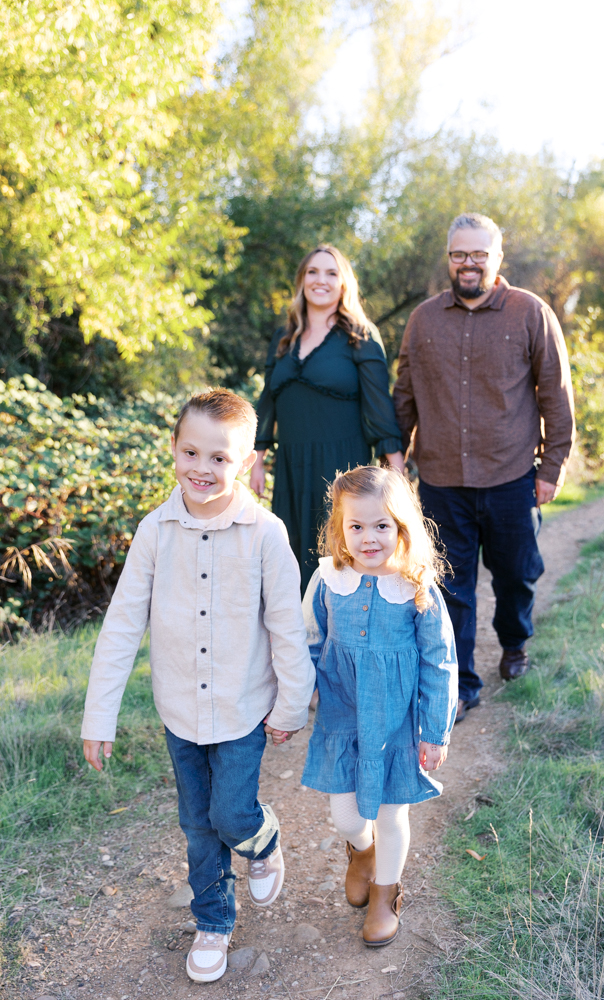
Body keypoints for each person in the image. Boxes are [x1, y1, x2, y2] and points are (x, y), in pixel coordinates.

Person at [81, 388, 315, 984]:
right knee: (196, 822)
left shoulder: (267, 534)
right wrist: (98, 717)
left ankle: (261, 841)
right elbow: (122, 624)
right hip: (180, 708)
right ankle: (213, 919)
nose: (202, 469)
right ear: (174, 448)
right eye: (191, 452)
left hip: (243, 708)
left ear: (247, 461)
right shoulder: (155, 530)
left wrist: (291, 703)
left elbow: (288, 627)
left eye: (219, 457)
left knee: (232, 813)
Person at [393, 212, 575, 723]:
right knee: (451, 587)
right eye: (458, 254)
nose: (468, 263)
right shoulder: (423, 318)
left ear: (497, 258)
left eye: (478, 254)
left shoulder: (530, 313)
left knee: (517, 574)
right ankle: (461, 683)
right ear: (448, 258)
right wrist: (395, 458)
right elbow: (404, 392)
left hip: (512, 475)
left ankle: (515, 644)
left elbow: (556, 396)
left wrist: (551, 468)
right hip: (441, 480)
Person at [300, 466, 458, 947]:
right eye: (357, 526)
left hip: (397, 722)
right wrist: (297, 694)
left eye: (381, 526)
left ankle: (385, 895)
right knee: (346, 816)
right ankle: (361, 853)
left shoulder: (415, 587)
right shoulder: (329, 579)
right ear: (341, 528)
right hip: (343, 715)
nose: (369, 538)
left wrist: (435, 731)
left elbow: (440, 661)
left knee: (391, 814)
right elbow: (308, 641)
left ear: (402, 527)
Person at [251, 244, 404, 594]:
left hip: (342, 466)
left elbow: (380, 405)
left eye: (331, 273)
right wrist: (257, 458)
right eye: (313, 272)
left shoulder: (360, 336)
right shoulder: (284, 338)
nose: (321, 280)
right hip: (290, 465)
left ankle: (341, 641)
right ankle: (296, 643)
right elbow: (268, 399)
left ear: (344, 283)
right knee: (289, 558)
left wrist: (396, 469)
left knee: (339, 557)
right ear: (302, 281)